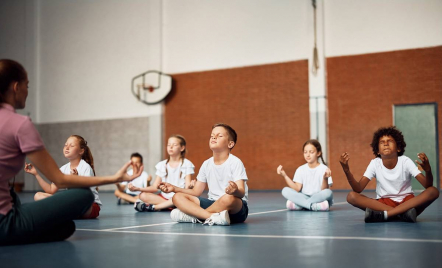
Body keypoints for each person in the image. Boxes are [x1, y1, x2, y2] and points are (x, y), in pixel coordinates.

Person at [0, 59, 142, 245]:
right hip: (4, 222)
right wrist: (116, 178)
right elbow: (58, 181)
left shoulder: (83, 166)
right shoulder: (19, 124)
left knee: (65, 227)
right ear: (16, 87)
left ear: (81, 151)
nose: (28, 91)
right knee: (83, 195)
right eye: (27, 86)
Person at [339, 126, 439, 223]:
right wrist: (346, 171)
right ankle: (403, 215)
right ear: (377, 151)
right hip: (384, 203)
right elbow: (358, 189)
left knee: (433, 191)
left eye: (390, 141)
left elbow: (427, 185)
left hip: (407, 202)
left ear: (398, 148)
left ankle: (386, 215)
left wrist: (428, 170)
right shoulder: (375, 163)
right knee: (351, 196)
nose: (386, 144)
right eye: (382, 142)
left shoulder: (405, 161)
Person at [159, 123, 248, 226]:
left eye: (219, 136)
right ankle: (212, 217)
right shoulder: (206, 164)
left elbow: (241, 193)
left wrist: (235, 191)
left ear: (230, 144)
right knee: (177, 197)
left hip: (236, 209)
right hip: (212, 203)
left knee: (228, 198)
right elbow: (196, 192)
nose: (214, 137)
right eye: (212, 135)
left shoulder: (235, 162)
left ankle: (196, 216)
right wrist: (174, 189)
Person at [24, 135, 102, 219]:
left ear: (81, 151)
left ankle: (64, 211)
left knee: (76, 204)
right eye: (65, 145)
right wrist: (36, 174)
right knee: (38, 196)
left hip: (89, 205)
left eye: (71, 146)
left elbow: (85, 195)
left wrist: (75, 181)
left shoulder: (85, 167)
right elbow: (50, 190)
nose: (67, 148)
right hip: (72, 204)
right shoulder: (63, 169)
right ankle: (67, 211)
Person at [133, 135, 195, 212]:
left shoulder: (187, 164)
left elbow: (187, 188)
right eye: (169, 145)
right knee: (142, 195)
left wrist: (191, 186)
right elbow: (154, 187)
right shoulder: (162, 164)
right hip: (163, 198)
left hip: (179, 197)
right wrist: (138, 188)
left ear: (182, 148)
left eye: (174, 145)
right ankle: (173, 206)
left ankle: (157, 207)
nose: (171, 147)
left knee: (182, 198)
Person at [277, 139, 333, 211]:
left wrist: (325, 178)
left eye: (311, 152)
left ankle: (301, 205)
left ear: (318, 153)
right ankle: (313, 206)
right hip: (304, 196)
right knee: (285, 190)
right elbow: (297, 188)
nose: (308, 155)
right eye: (305, 152)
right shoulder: (300, 169)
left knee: (328, 193)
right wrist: (284, 175)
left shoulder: (324, 169)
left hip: (318, 197)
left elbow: (324, 190)